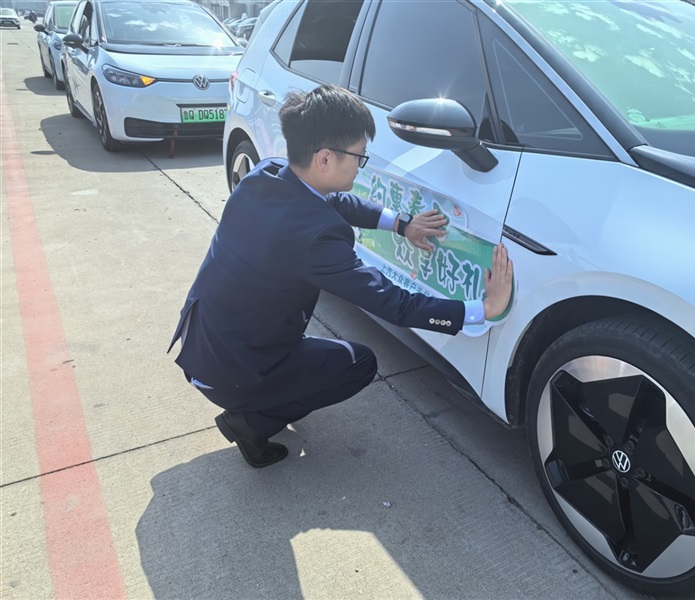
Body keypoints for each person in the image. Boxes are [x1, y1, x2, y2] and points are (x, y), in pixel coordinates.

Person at [168, 84, 514, 469]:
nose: (361, 163)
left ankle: (263, 397)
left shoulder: (267, 175)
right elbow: (392, 303)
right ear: (325, 159)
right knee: (359, 364)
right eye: (359, 157)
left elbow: (335, 200)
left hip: (203, 344)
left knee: (310, 352)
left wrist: (401, 224)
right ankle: (249, 420)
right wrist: (481, 309)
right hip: (233, 370)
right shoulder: (316, 239)